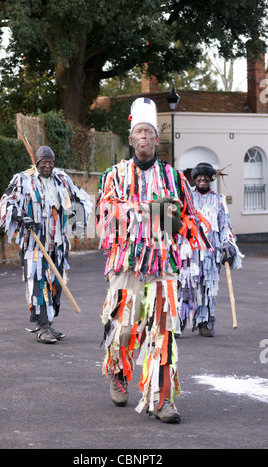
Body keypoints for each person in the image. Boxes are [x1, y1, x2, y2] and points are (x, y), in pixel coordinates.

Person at [96, 97, 210, 423]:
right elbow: (106, 217)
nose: (144, 138)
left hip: (163, 266)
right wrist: (151, 212)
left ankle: (162, 400)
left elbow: (185, 218)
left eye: (149, 132)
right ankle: (117, 370)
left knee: (163, 331)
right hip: (125, 263)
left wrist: (179, 228)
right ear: (130, 140)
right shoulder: (114, 176)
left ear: (157, 139)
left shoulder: (175, 177)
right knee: (123, 325)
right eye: (138, 133)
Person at [0, 145, 91, 344]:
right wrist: (21, 217)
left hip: (59, 244)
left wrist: (77, 220)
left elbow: (80, 198)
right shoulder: (22, 179)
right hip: (34, 245)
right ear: (36, 162)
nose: (47, 166)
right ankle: (42, 326)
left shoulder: (62, 179)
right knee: (39, 283)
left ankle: (49, 323)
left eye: (51, 162)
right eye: (44, 162)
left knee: (57, 284)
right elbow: (5, 203)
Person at [177, 162, 243, 337]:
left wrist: (228, 245)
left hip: (210, 255)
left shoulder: (218, 200)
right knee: (185, 287)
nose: (202, 179)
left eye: (206, 176)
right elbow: (178, 221)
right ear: (195, 178)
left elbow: (225, 224)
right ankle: (178, 324)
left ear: (211, 178)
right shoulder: (186, 197)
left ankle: (203, 323)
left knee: (206, 288)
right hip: (189, 252)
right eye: (199, 176)